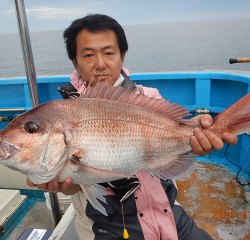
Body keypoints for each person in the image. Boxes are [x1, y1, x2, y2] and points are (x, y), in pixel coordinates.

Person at [27, 14, 238, 240]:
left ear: (122, 56)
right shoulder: (64, 114)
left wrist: (195, 136)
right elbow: (75, 186)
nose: (99, 63)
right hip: (108, 228)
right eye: (88, 55)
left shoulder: (149, 98)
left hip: (169, 216)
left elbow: (176, 133)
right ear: (74, 62)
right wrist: (63, 185)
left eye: (108, 53)